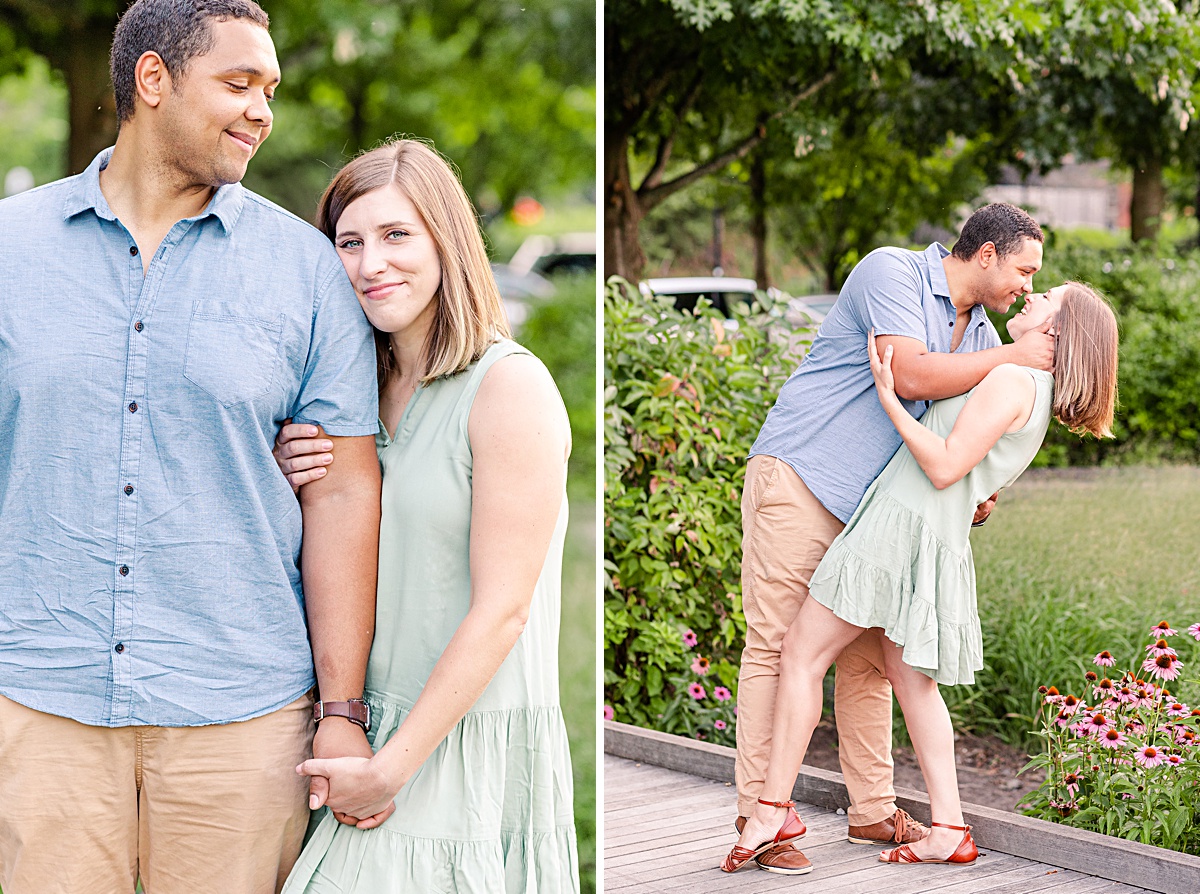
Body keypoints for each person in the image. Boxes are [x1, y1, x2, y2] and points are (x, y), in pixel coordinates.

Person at [0, 2, 383, 891]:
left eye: (271, 91)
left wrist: (341, 709)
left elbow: (342, 494)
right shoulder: (10, 250)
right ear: (153, 80)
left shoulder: (307, 273)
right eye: (240, 83)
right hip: (36, 701)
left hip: (242, 719)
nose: (262, 110)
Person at [723, 282, 1119, 871]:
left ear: (1057, 332)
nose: (1031, 297)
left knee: (800, 656)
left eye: (1046, 299)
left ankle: (770, 809)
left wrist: (889, 398)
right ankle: (950, 828)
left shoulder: (1014, 380)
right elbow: (975, 477)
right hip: (930, 539)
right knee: (912, 684)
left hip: (900, 531)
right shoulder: (1033, 387)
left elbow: (943, 467)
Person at [271, 140, 579, 893]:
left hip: (454, 743)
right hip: (355, 728)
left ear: (447, 239)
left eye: (396, 235)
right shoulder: (347, 398)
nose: (371, 263)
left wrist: (389, 771)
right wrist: (280, 481)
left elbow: (503, 611)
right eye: (350, 242)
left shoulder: (509, 389)